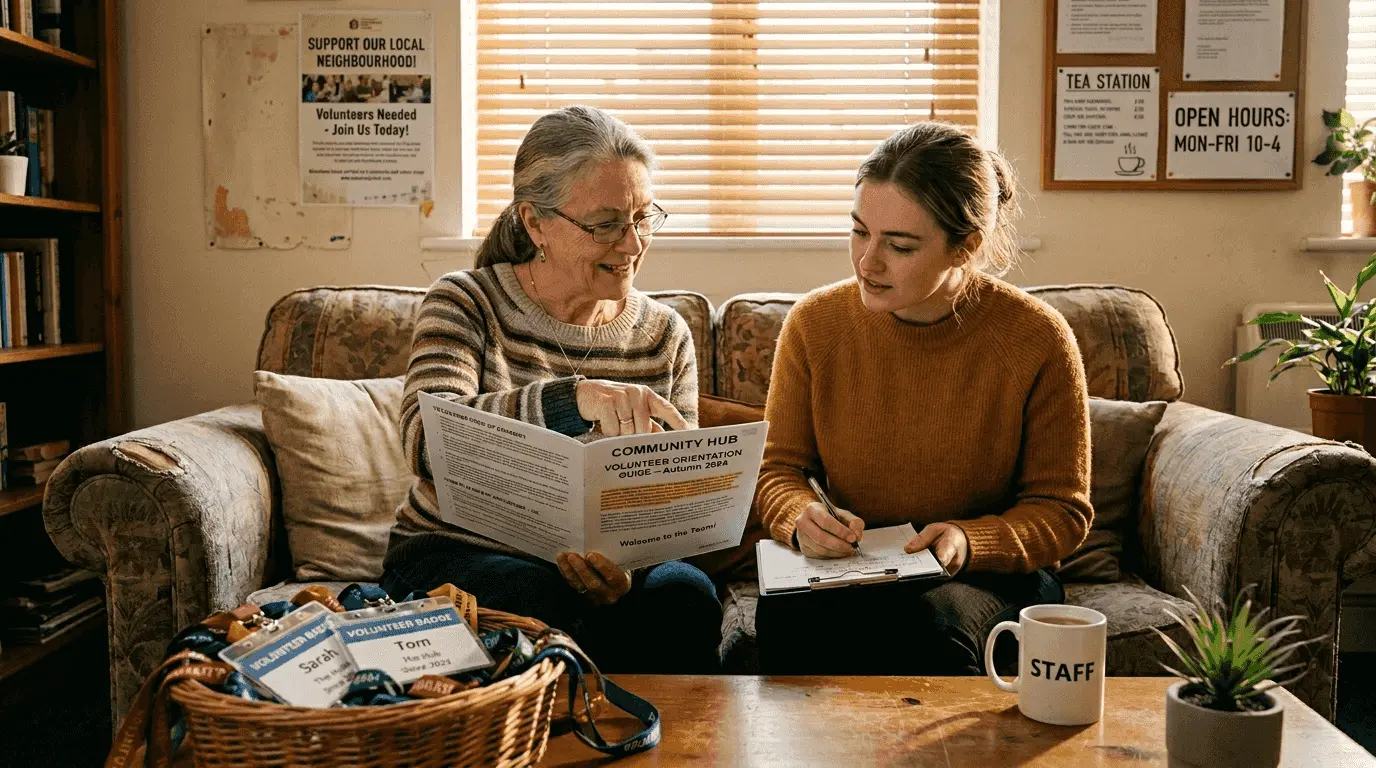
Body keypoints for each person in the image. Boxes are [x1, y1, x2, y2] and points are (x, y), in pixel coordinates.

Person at [380, 105, 723, 673]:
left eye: (643, 217)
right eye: (605, 223)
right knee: (545, 598)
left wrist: (628, 569)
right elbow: (426, 441)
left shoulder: (665, 334)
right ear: (535, 223)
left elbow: (672, 497)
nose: (632, 244)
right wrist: (573, 399)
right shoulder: (465, 301)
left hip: (614, 563)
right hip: (458, 551)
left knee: (684, 596)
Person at [752, 122, 1093, 676]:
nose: (867, 262)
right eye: (860, 232)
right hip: (855, 567)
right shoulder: (814, 325)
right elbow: (778, 471)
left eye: (900, 245)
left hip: (986, 574)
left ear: (967, 246)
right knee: (786, 620)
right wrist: (799, 518)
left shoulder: (1037, 339)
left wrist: (969, 539)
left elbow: (1062, 511)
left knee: (930, 625)